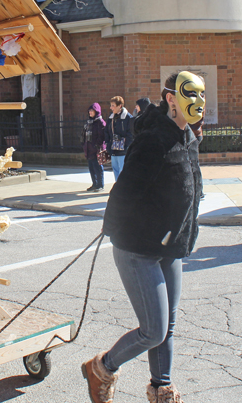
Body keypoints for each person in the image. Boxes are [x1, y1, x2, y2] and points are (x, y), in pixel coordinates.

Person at [81, 71, 205, 403]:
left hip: (170, 245)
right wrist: (111, 226)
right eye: (190, 94)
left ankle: (161, 387)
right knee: (153, 329)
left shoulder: (188, 137)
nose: (198, 102)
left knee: (168, 325)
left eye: (201, 95)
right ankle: (101, 368)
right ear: (170, 99)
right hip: (138, 247)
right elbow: (125, 190)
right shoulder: (153, 139)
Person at [104, 96, 133, 181]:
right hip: (113, 149)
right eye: (111, 105)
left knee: (122, 171)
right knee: (115, 170)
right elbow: (106, 131)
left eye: (113, 105)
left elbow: (130, 133)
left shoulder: (128, 118)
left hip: (123, 150)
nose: (111, 108)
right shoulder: (111, 118)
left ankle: (123, 190)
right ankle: (118, 188)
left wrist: (125, 145)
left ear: (119, 106)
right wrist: (108, 144)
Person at [82, 103, 106, 192]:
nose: (90, 112)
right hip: (89, 149)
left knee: (98, 167)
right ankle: (95, 184)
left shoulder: (100, 122)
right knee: (91, 167)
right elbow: (84, 134)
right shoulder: (89, 122)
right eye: (89, 111)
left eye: (92, 111)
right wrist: (84, 144)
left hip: (97, 149)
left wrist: (97, 144)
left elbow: (102, 135)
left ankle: (100, 185)